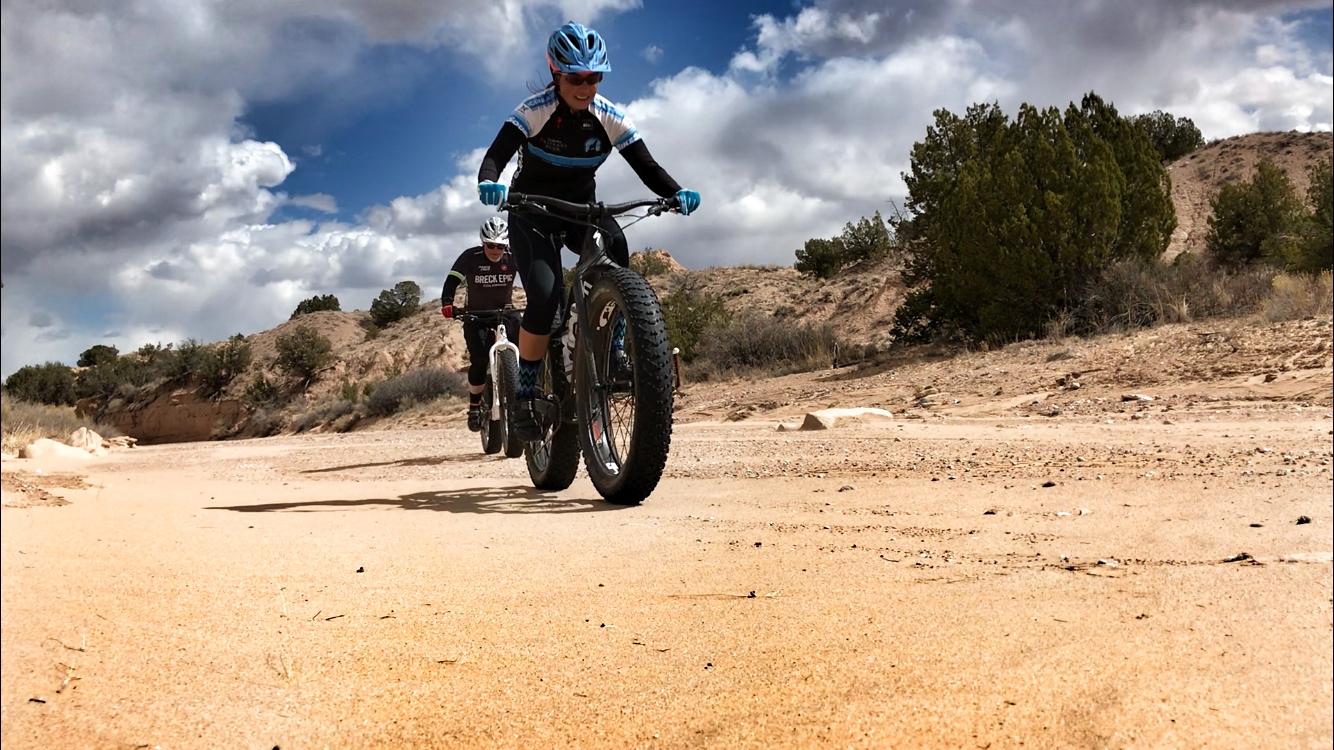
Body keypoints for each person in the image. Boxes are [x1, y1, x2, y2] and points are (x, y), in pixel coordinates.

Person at [477, 20, 701, 440]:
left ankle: (612, 346)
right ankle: (525, 394)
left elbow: (647, 166)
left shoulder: (608, 115)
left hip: (581, 209)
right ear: (556, 74)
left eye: (594, 77)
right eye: (576, 78)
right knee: (544, 298)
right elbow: (495, 156)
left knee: (615, 245)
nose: (586, 86)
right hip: (532, 211)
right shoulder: (533, 110)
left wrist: (677, 191)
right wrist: (489, 182)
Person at [440, 216, 521, 432]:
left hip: (506, 312)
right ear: (483, 243)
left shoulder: (514, 256)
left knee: (528, 350)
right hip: (476, 315)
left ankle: (523, 394)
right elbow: (452, 280)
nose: (495, 250)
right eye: (490, 245)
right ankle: (475, 406)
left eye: (500, 246)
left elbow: (532, 278)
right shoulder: (470, 257)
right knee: (479, 359)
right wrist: (447, 303)